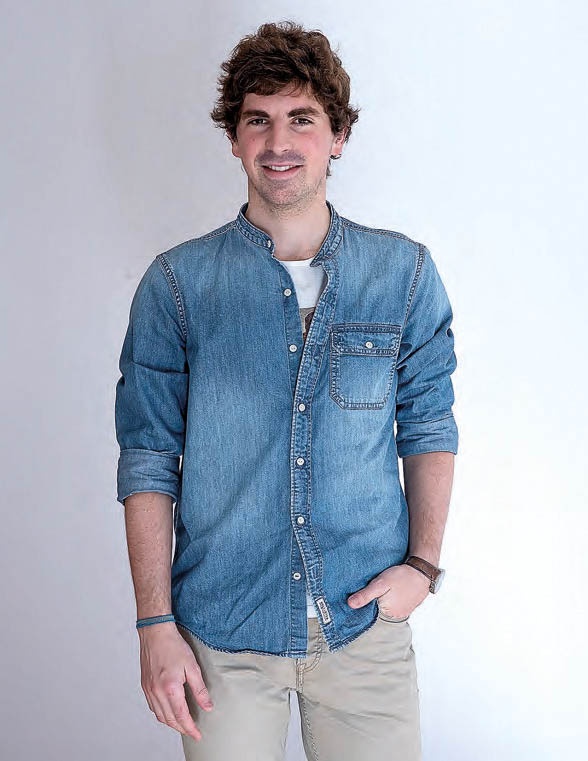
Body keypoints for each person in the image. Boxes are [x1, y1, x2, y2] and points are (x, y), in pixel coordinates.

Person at [114, 20, 458, 761]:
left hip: (363, 625)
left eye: (302, 118)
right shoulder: (177, 286)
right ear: (234, 138)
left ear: (338, 136)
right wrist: (154, 624)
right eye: (258, 120)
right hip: (221, 637)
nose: (279, 141)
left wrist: (423, 566)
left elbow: (429, 425)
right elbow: (147, 459)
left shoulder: (403, 274)